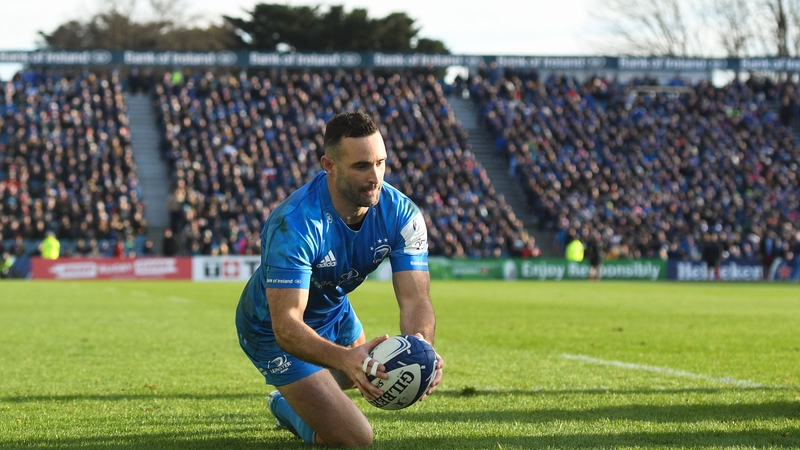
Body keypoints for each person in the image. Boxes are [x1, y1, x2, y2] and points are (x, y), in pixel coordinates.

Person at [235, 110, 444, 447]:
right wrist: (346, 359)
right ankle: (285, 406)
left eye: (380, 162)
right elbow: (287, 325)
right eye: (361, 166)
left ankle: (307, 391)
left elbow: (416, 299)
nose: (375, 176)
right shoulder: (295, 224)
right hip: (270, 329)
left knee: (362, 375)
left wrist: (423, 351)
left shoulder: (402, 214)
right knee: (355, 438)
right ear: (329, 166)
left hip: (334, 308)